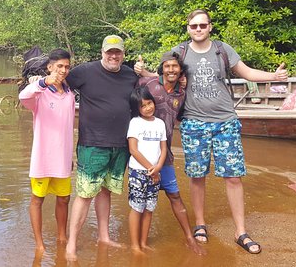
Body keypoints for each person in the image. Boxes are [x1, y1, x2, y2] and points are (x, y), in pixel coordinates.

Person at [135, 9, 287, 255]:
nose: (198, 29)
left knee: (233, 176)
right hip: (194, 122)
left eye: (202, 25)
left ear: (210, 27)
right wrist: (142, 72)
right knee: (197, 176)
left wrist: (274, 75)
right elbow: (165, 74)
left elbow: (247, 73)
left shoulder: (222, 50)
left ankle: (240, 231)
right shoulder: (180, 52)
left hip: (225, 120)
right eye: (193, 26)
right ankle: (200, 224)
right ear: (187, 28)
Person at [64, 35, 139, 261]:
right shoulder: (84, 72)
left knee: (106, 191)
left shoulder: (130, 75)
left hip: (121, 145)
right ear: (102, 52)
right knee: (85, 194)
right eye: (109, 52)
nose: (113, 56)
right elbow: (59, 82)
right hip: (92, 144)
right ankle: (71, 244)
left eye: (117, 52)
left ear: (123, 54)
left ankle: (104, 236)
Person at [137, 51, 206, 255]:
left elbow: (182, 117)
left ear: (180, 70)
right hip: (142, 156)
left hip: (164, 156)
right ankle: (139, 243)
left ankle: (188, 237)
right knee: (141, 201)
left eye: (175, 66)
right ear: (162, 68)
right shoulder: (147, 85)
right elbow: (132, 106)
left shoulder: (181, 93)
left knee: (174, 195)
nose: (171, 70)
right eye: (167, 66)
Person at [19, 48, 75, 253]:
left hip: (62, 159)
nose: (63, 70)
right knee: (37, 199)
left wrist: (70, 156)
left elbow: (68, 127)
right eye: (59, 66)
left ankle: (62, 236)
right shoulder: (39, 92)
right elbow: (23, 97)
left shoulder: (69, 94)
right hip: (42, 159)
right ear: (49, 67)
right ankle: (39, 244)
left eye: (67, 67)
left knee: (64, 199)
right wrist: (41, 83)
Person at [126, 86, 167, 254]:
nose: (148, 108)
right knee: (137, 208)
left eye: (149, 103)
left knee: (149, 208)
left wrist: (158, 167)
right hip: (138, 172)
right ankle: (135, 245)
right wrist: (152, 168)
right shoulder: (135, 122)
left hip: (155, 172)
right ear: (137, 109)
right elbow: (133, 150)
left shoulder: (160, 123)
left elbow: (163, 149)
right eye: (143, 106)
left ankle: (143, 243)